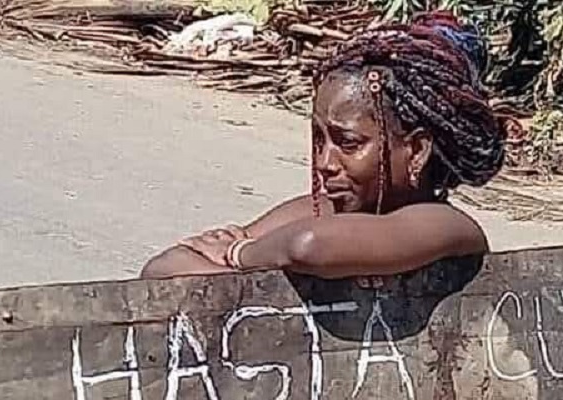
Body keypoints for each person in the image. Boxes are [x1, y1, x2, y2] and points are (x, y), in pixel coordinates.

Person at [140, 11, 506, 282]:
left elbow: (309, 246)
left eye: (348, 143)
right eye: (319, 140)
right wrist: (258, 258)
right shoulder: (325, 208)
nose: (324, 163)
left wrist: (238, 253)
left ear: (417, 150)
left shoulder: (447, 226)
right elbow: (164, 269)